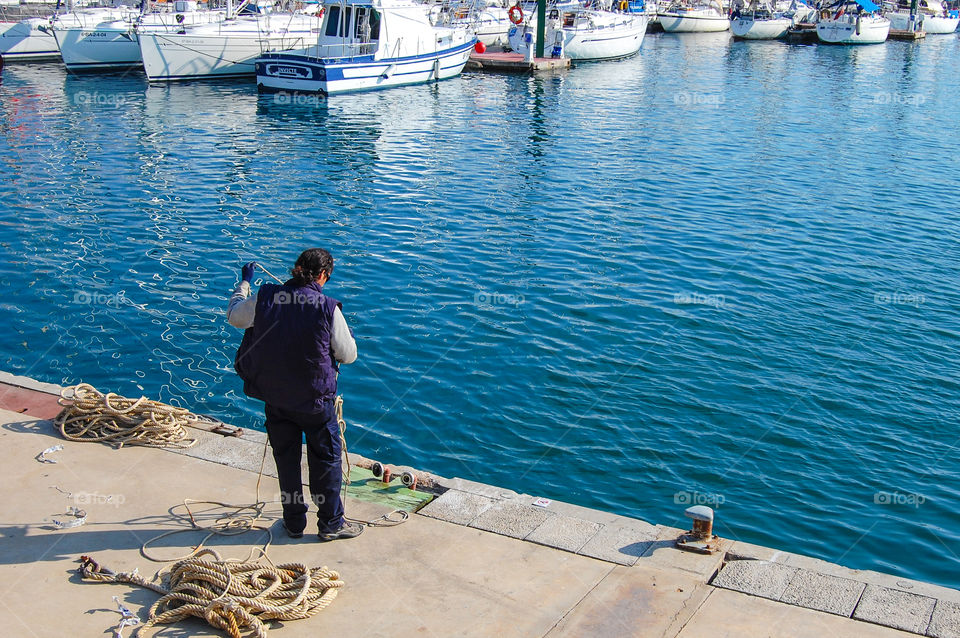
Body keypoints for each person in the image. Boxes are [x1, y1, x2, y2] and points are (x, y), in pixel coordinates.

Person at [227, 248, 362, 541]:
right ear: (323, 275)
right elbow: (348, 355)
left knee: (286, 459)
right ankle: (330, 523)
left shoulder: (266, 297)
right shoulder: (328, 308)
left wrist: (244, 283)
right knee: (326, 460)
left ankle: (293, 523)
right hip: (315, 402)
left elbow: (235, 316)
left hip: (276, 398)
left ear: (296, 268)